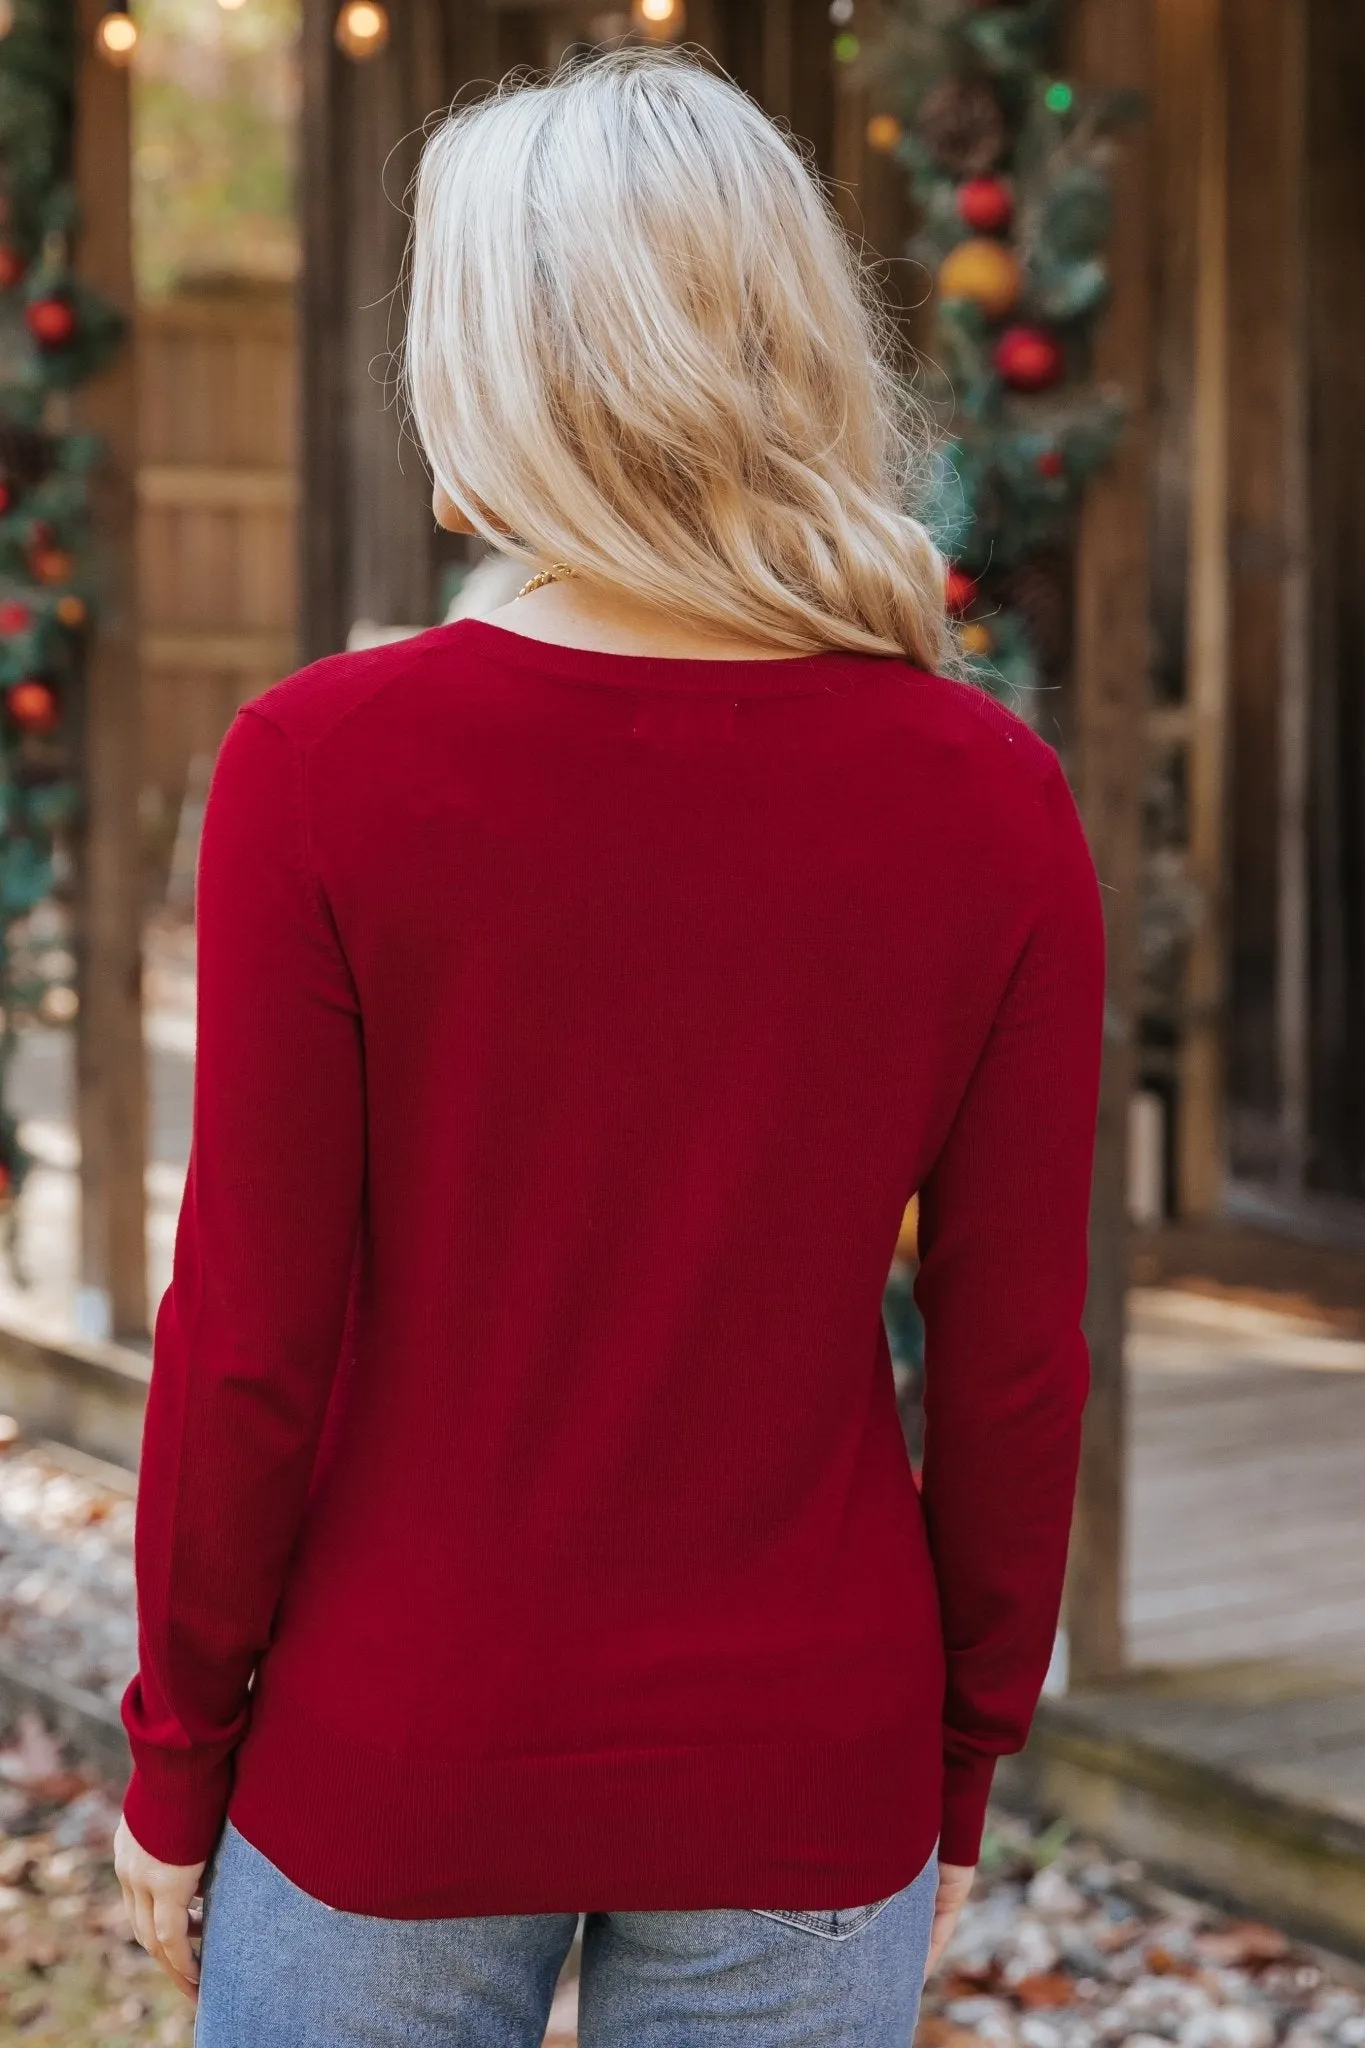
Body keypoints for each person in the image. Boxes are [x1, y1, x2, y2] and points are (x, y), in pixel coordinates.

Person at [113, 47, 1104, 2048]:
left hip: (393, 1741)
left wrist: (173, 1751)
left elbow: (247, 1341)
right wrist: (963, 1762)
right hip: (803, 1756)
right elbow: (1012, 1362)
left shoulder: (324, 773)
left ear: (497, 369)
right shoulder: (988, 799)